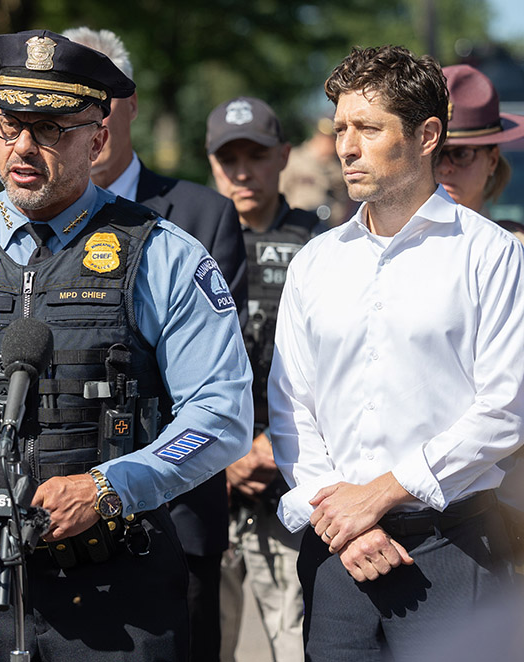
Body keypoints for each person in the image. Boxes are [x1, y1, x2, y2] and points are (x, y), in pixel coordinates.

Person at [0, 30, 253, 661]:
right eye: (10, 126)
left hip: (120, 591)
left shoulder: (163, 254)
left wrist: (109, 486)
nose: (24, 149)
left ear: (98, 137)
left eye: (51, 129)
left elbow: (222, 415)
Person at [269, 45, 524, 660]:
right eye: (340, 128)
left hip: (453, 548)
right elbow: (291, 409)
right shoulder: (315, 262)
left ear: (426, 135)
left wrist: (383, 492)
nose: (346, 146)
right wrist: (340, 518)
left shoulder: (489, 255)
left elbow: (501, 415)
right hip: (339, 553)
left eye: (367, 128)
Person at [61, 26, 246, 662]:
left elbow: (211, 376)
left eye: (101, 96)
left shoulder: (200, 215)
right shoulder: (13, 229)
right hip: (54, 521)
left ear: (129, 103)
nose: (87, 115)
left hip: (176, 517)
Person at [206, 96, 316, 662]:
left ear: (284, 157)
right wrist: (222, 455)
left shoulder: (321, 245)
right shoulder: (187, 245)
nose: (244, 172)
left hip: (288, 480)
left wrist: (274, 445)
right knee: (204, 643)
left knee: (298, 643)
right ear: (211, 163)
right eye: (230, 159)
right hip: (206, 482)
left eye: (258, 155)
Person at [436, 64, 524, 295]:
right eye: (434, 155)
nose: (445, 168)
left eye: (461, 154)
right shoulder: (386, 245)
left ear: (492, 160)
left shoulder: (521, 253)